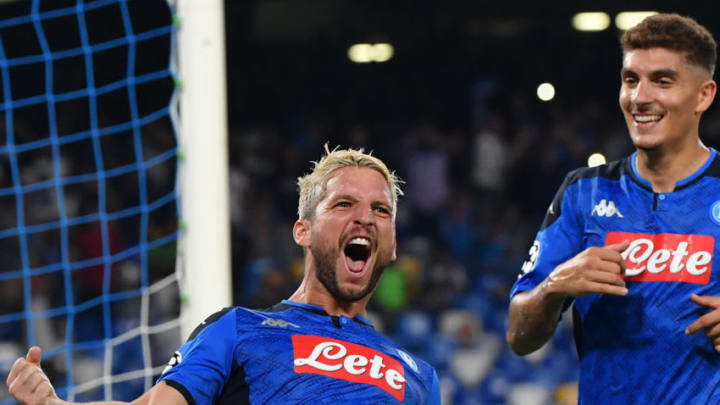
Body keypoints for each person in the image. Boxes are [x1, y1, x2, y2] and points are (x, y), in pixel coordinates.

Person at [7, 146, 442, 404]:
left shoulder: (419, 375)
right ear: (303, 230)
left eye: (380, 210)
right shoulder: (239, 330)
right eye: (344, 204)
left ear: (394, 244)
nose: (365, 218)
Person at [507, 13, 720, 404]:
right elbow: (518, 337)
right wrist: (555, 285)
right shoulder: (582, 192)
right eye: (630, 80)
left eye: (662, 80)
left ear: (703, 95)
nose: (640, 97)